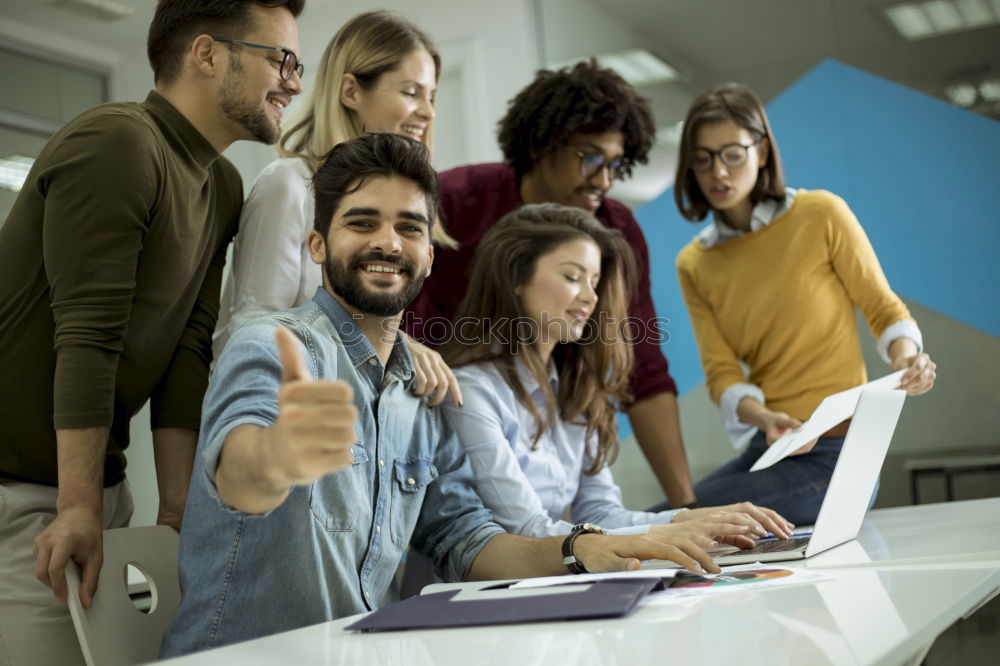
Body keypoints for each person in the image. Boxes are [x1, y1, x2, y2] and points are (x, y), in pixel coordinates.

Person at [160, 134, 733, 657]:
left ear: (430, 255)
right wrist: (276, 459)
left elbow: (465, 537)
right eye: (362, 223)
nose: (388, 242)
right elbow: (238, 476)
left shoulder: (423, 389)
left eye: (409, 227)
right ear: (316, 244)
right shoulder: (271, 346)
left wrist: (580, 548)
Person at [0, 1, 305, 663]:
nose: (294, 82)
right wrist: (77, 507)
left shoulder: (222, 184)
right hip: (19, 496)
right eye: (280, 59)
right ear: (207, 54)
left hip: (94, 491)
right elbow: (85, 334)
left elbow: (184, 355)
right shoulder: (118, 140)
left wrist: (175, 513)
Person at [405, 60, 697, 508]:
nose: (603, 180)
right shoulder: (454, 202)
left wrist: (685, 508)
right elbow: (388, 324)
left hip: (550, 410)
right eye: (590, 158)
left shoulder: (616, 229)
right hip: (443, 415)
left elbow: (646, 370)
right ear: (542, 144)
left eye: (615, 165)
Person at [439, 203, 792, 544]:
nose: (590, 298)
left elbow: (602, 514)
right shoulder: (471, 391)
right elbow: (527, 531)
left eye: (594, 281)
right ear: (516, 276)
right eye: (572, 276)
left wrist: (693, 519)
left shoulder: (573, 391)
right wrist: (673, 531)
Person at [669, 83, 936, 524]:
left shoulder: (821, 214)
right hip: (773, 445)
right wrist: (766, 418)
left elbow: (883, 310)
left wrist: (909, 361)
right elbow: (722, 374)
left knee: (674, 523)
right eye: (703, 158)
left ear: (762, 151)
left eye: (733, 154)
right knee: (660, 520)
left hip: (840, 458)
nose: (719, 171)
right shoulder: (694, 263)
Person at [214, 10, 460, 406]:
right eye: (411, 92)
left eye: (431, 97)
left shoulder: (413, 210)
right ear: (350, 91)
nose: (429, 112)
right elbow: (252, 328)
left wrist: (399, 345)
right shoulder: (288, 184)